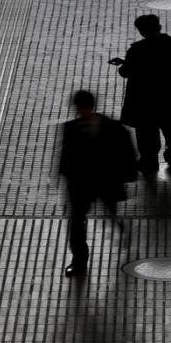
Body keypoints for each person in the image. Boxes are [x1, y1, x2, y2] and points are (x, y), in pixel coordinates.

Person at [59, 91, 137, 277]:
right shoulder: (71, 128)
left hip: (105, 181)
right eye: (78, 108)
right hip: (80, 184)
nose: (80, 112)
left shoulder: (112, 127)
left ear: (90, 107)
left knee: (109, 209)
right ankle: (79, 261)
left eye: (83, 107)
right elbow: (65, 156)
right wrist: (65, 176)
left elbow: (127, 152)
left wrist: (128, 174)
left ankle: (120, 225)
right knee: (77, 222)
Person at [113, 14, 171, 176]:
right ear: (159, 27)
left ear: (141, 31)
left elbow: (126, 72)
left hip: (144, 100)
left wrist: (123, 64)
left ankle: (149, 161)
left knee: (147, 133)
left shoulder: (137, 49)